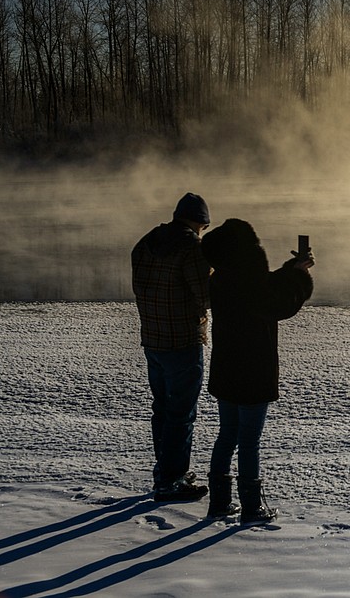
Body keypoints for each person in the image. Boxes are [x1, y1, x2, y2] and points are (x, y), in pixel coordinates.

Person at [199, 218, 314, 523]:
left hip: (226, 368)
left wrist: (291, 271)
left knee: (227, 435)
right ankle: (252, 507)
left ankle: (220, 502)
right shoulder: (249, 282)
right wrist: (300, 279)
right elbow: (280, 304)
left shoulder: (222, 277)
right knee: (249, 441)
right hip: (253, 370)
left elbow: (264, 287)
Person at [131, 192, 212, 503]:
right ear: (200, 222)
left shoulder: (147, 241)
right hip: (182, 341)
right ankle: (172, 480)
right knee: (181, 413)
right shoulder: (191, 247)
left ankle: (165, 471)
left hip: (152, 338)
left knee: (163, 409)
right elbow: (205, 297)